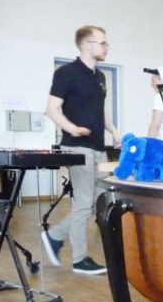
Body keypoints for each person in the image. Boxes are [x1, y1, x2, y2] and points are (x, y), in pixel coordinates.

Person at [42, 25, 120, 275]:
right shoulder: (67, 73)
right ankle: (79, 259)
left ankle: (55, 235)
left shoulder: (100, 77)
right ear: (87, 45)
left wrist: (114, 130)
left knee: (99, 201)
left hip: (98, 147)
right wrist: (72, 128)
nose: (107, 47)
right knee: (84, 202)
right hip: (77, 147)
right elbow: (52, 109)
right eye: (103, 43)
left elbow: (101, 109)